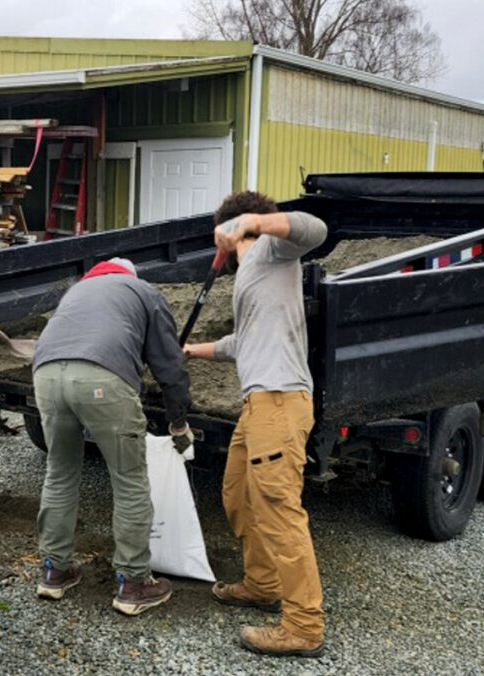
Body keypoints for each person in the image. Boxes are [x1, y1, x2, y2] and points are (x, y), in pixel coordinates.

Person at [183, 191, 328, 657]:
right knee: (240, 495)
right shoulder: (250, 272)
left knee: (279, 510)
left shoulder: (272, 249)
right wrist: (189, 351)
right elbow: (239, 343)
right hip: (257, 406)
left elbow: (315, 228)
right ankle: (262, 583)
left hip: (280, 400)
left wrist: (250, 222)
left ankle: (304, 626)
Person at [31, 257, 194, 617]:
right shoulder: (144, 291)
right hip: (102, 380)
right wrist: (178, 421)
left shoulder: (76, 292)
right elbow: (169, 365)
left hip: (45, 376)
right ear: (129, 276)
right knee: (129, 481)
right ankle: (134, 584)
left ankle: (54, 572)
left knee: (59, 473)